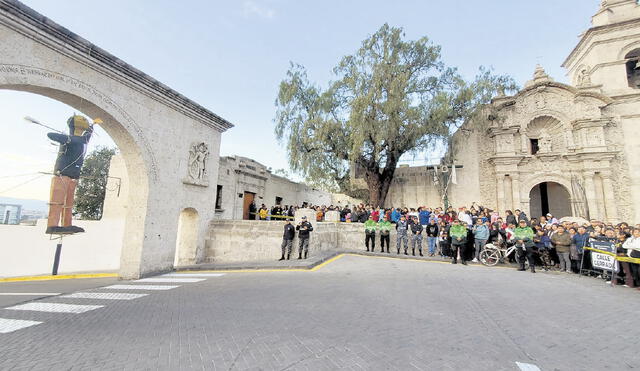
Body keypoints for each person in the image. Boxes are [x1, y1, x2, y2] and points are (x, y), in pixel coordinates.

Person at [46, 115, 97, 235]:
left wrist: (92, 126)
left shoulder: (82, 140)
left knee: (68, 203)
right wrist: (68, 139)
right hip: (62, 174)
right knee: (57, 201)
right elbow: (50, 135)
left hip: (73, 177)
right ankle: (52, 225)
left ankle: (67, 224)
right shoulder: (70, 139)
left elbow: (87, 137)